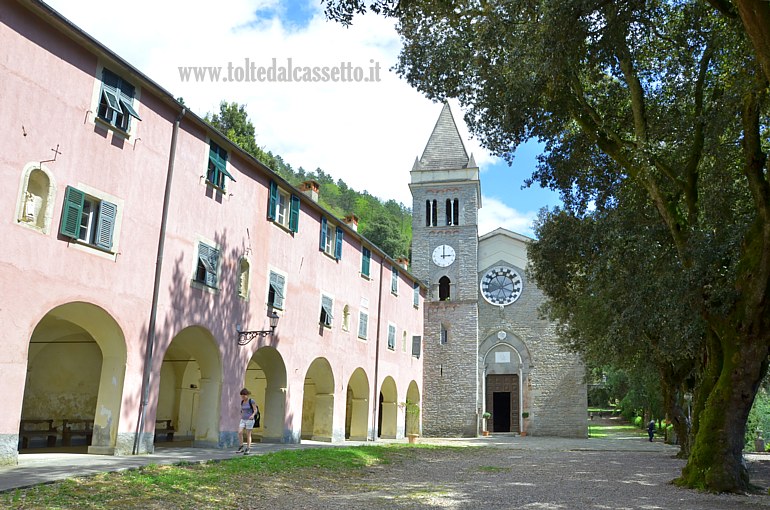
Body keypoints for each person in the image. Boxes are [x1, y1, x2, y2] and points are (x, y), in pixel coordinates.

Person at [237, 388, 259, 454]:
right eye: (241, 396)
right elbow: (242, 409)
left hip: (250, 419)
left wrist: (252, 415)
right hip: (243, 419)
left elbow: (255, 410)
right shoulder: (242, 402)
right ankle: (241, 447)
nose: (243, 397)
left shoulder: (251, 401)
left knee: (248, 434)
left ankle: (248, 448)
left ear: (247, 395)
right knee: (240, 432)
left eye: (244, 396)